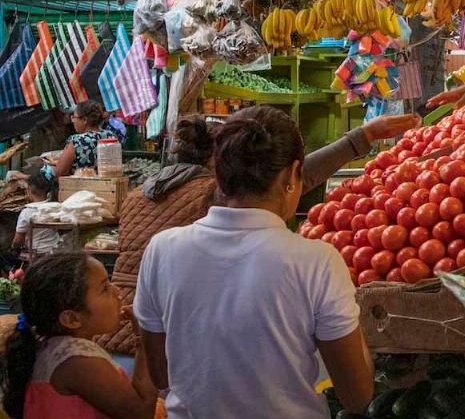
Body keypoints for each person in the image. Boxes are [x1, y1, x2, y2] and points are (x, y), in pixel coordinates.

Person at [97, 112, 418, 355]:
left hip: (123, 332)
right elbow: (291, 182)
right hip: (170, 343)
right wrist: (358, 139)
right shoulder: (217, 196)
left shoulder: (139, 196)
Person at [134, 106, 382, 418]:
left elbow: (161, 376)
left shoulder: (161, 250)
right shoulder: (316, 262)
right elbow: (358, 396)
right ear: (293, 175)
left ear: (220, 172)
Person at [1, 252, 158, 419]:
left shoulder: (51, 345)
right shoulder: (75, 358)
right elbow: (141, 412)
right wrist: (145, 336)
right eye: (105, 288)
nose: (117, 291)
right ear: (71, 318)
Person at [54, 101, 115, 178]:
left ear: (84, 120)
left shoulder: (77, 141)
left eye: (74, 117)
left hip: (82, 187)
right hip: (108, 185)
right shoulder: (110, 136)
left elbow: (59, 172)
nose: (73, 121)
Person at [12, 171, 60, 255]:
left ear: (29, 189)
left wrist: (13, 248)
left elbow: (18, 240)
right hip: (55, 249)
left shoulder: (26, 212)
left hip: (36, 253)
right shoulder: (55, 207)